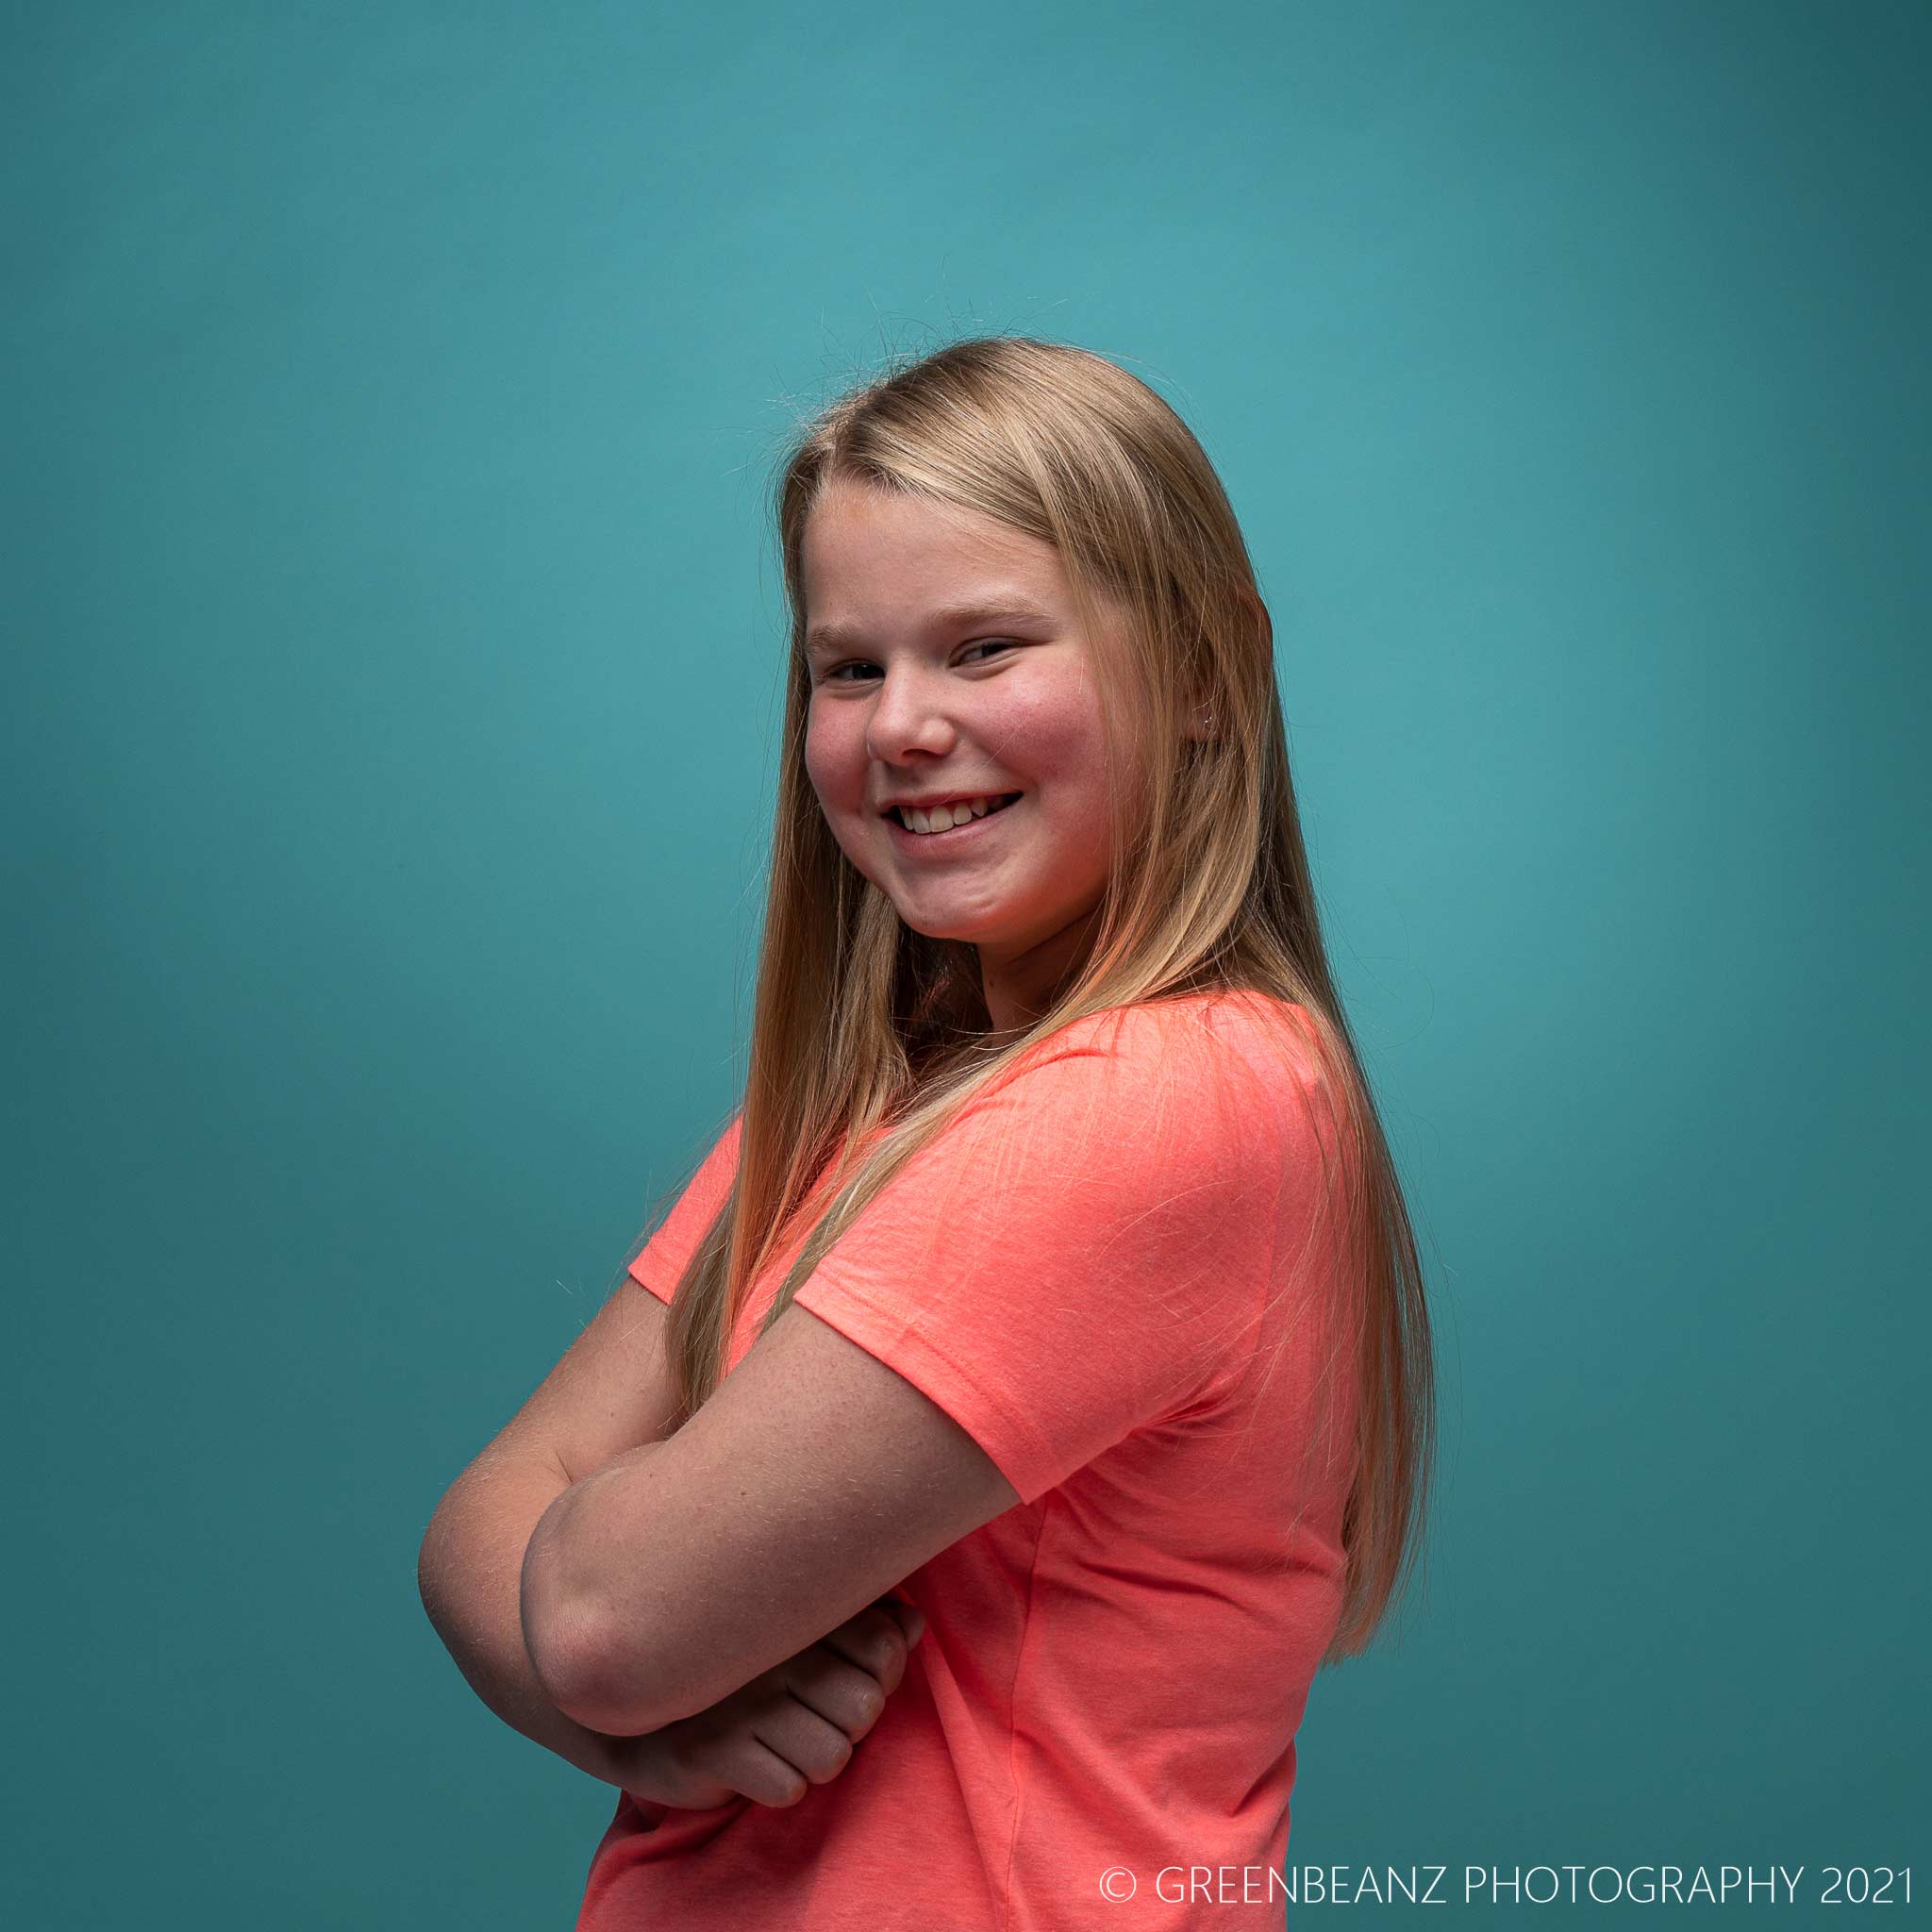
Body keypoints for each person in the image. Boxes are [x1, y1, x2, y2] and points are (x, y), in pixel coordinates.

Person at [418, 335, 1436, 1930]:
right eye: (848, 666)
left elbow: (602, 1605)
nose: (900, 727)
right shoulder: (878, 1094)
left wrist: (608, 1648)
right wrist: (654, 1726)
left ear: (1201, 683)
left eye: (982, 649)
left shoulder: (1152, 1101)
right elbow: (488, 1524)